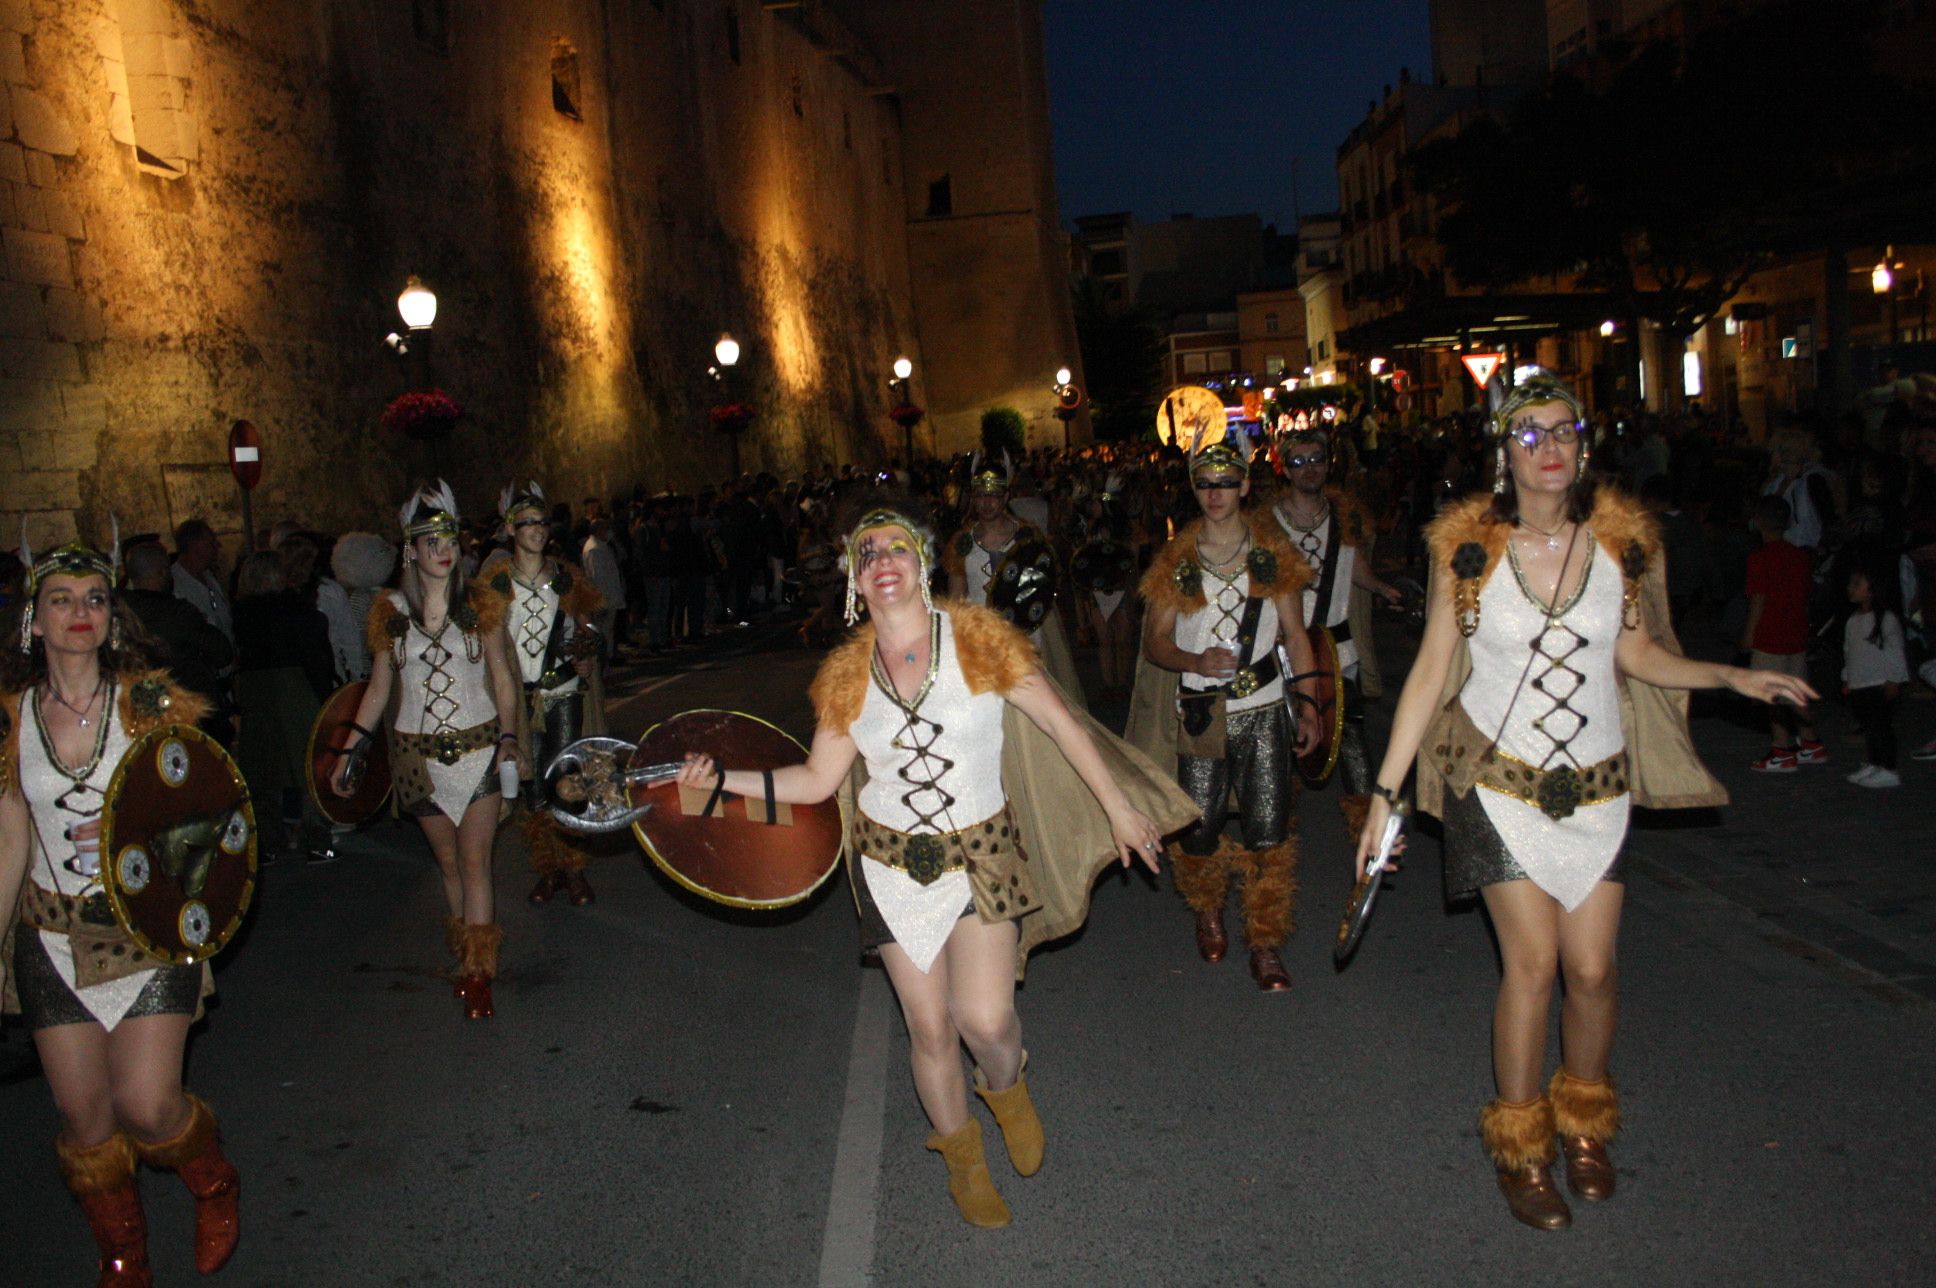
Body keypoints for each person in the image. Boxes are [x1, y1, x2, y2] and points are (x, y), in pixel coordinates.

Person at [1355, 372, 1815, 1231]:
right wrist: (1385, 792)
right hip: (1499, 788)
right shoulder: (1468, 550)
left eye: (1565, 431)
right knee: (1532, 965)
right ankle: (1522, 1146)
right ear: (1503, 452)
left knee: (1594, 971)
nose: (1551, 447)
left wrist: (1729, 674)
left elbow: (1637, 652)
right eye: (1530, 434)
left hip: (1600, 789)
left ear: (1586, 445)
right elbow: (1428, 674)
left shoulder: (1621, 545)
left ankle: (1585, 1127)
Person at [676, 494, 1192, 1229]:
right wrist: (721, 784)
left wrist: (1116, 806)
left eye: (894, 548)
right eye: (866, 553)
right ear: (854, 581)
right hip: (890, 865)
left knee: (985, 1019)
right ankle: (963, 1161)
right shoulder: (845, 676)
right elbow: (817, 783)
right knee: (928, 1029)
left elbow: (1060, 722)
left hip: (982, 854)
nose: (881, 561)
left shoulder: (979, 640)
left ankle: (1007, 1086)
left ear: (921, 563)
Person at [1, 532, 243, 1286]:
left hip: (146, 927)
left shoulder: (152, 703)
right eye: (62, 601)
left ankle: (213, 1181)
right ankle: (124, 1252)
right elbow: (9, 837)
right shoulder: (7, 720)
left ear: (113, 616)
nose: (80, 613)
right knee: (87, 1124)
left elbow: (208, 815)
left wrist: (135, 833)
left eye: (95, 599)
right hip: (51, 935)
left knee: (146, 1105)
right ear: (32, 621)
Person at [1129, 426, 1320, 993]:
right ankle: (1208, 909)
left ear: (1243, 486)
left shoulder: (1272, 552)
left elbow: (1295, 634)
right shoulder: (1176, 557)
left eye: (1226, 482)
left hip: (1262, 706)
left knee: (1268, 825)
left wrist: (1308, 705)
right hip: (1202, 711)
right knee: (1200, 825)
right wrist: (1194, 656)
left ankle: (1264, 942)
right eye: (1206, 483)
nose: (1216, 493)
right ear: (1195, 489)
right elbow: (1153, 642)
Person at [332, 482, 522, 1019]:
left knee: (474, 858)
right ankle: (468, 955)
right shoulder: (388, 610)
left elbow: (503, 680)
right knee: (447, 863)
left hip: (479, 748)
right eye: (429, 539)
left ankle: (479, 974)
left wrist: (509, 739)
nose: (443, 548)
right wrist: (351, 749)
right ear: (410, 550)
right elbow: (378, 689)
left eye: (449, 537)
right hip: (417, 758)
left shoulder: (480, 603)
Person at [1268, 421, 1403, 836]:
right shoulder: (1267, 522)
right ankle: (1276, 832)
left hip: (1339, 648)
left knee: (1354, 743)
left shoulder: (1345, 516)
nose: (1309, 469)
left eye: (1317, 460)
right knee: (1284, 748)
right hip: (1287, 652)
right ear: (1285, 469)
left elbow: (1354, 565)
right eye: (1299, 461)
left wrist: (1380, 585)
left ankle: (1367, 831)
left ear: (1328, 465)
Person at [480, 482, 606, 906]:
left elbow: (588, 627)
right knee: (532, 790)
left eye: (541, 522)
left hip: (562, 689)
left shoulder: (567, 576)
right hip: (520, 697)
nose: (536, 529)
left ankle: (574, 868)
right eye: (527, 522)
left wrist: (586, 651)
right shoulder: (496, 582)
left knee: (567, 780)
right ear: (510, 529)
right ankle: (548, 869)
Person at [943, 453, 1087, 707]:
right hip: (984, 637)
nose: (987, 503)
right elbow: (956, 601)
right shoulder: (961, 543)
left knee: (1035, 701)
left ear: (1006, 497)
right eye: (981, 496)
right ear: (973, 498)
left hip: (1027, 634)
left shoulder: (1026, 535)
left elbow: (1043, 585)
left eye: (994, 496)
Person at [232, 550, 337, 863]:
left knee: (269, 769)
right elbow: (315, 651)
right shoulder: (294, 610)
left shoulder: (242, 614)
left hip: (256, 691)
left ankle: (271, 840)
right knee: (303, 766)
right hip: (294, 688)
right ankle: (315, 838)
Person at [1742, 494, 1825, 771]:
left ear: (1758, 522)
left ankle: (1782, 749)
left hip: (1770, 634)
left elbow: (1758, 600)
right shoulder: (1799, 557)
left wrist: (1749, 634)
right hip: (1796, 632)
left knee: (1772, 696)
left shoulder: (1760, 558)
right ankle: (1810, 742)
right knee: (1795, 691)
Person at [1842, 547, 1910, 788]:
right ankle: (1874, 763)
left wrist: (1894, 679)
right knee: (1870, 728)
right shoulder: (1852, 620)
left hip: (1879, 684)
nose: (1850, 588)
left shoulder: (1886, 620)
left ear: (1872, 589)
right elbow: (1849, 651)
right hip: (1860, 683)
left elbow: (1896, 652)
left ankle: (1889, 768)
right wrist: (1847, 677)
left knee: (1881, 728)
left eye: (1856, 584)